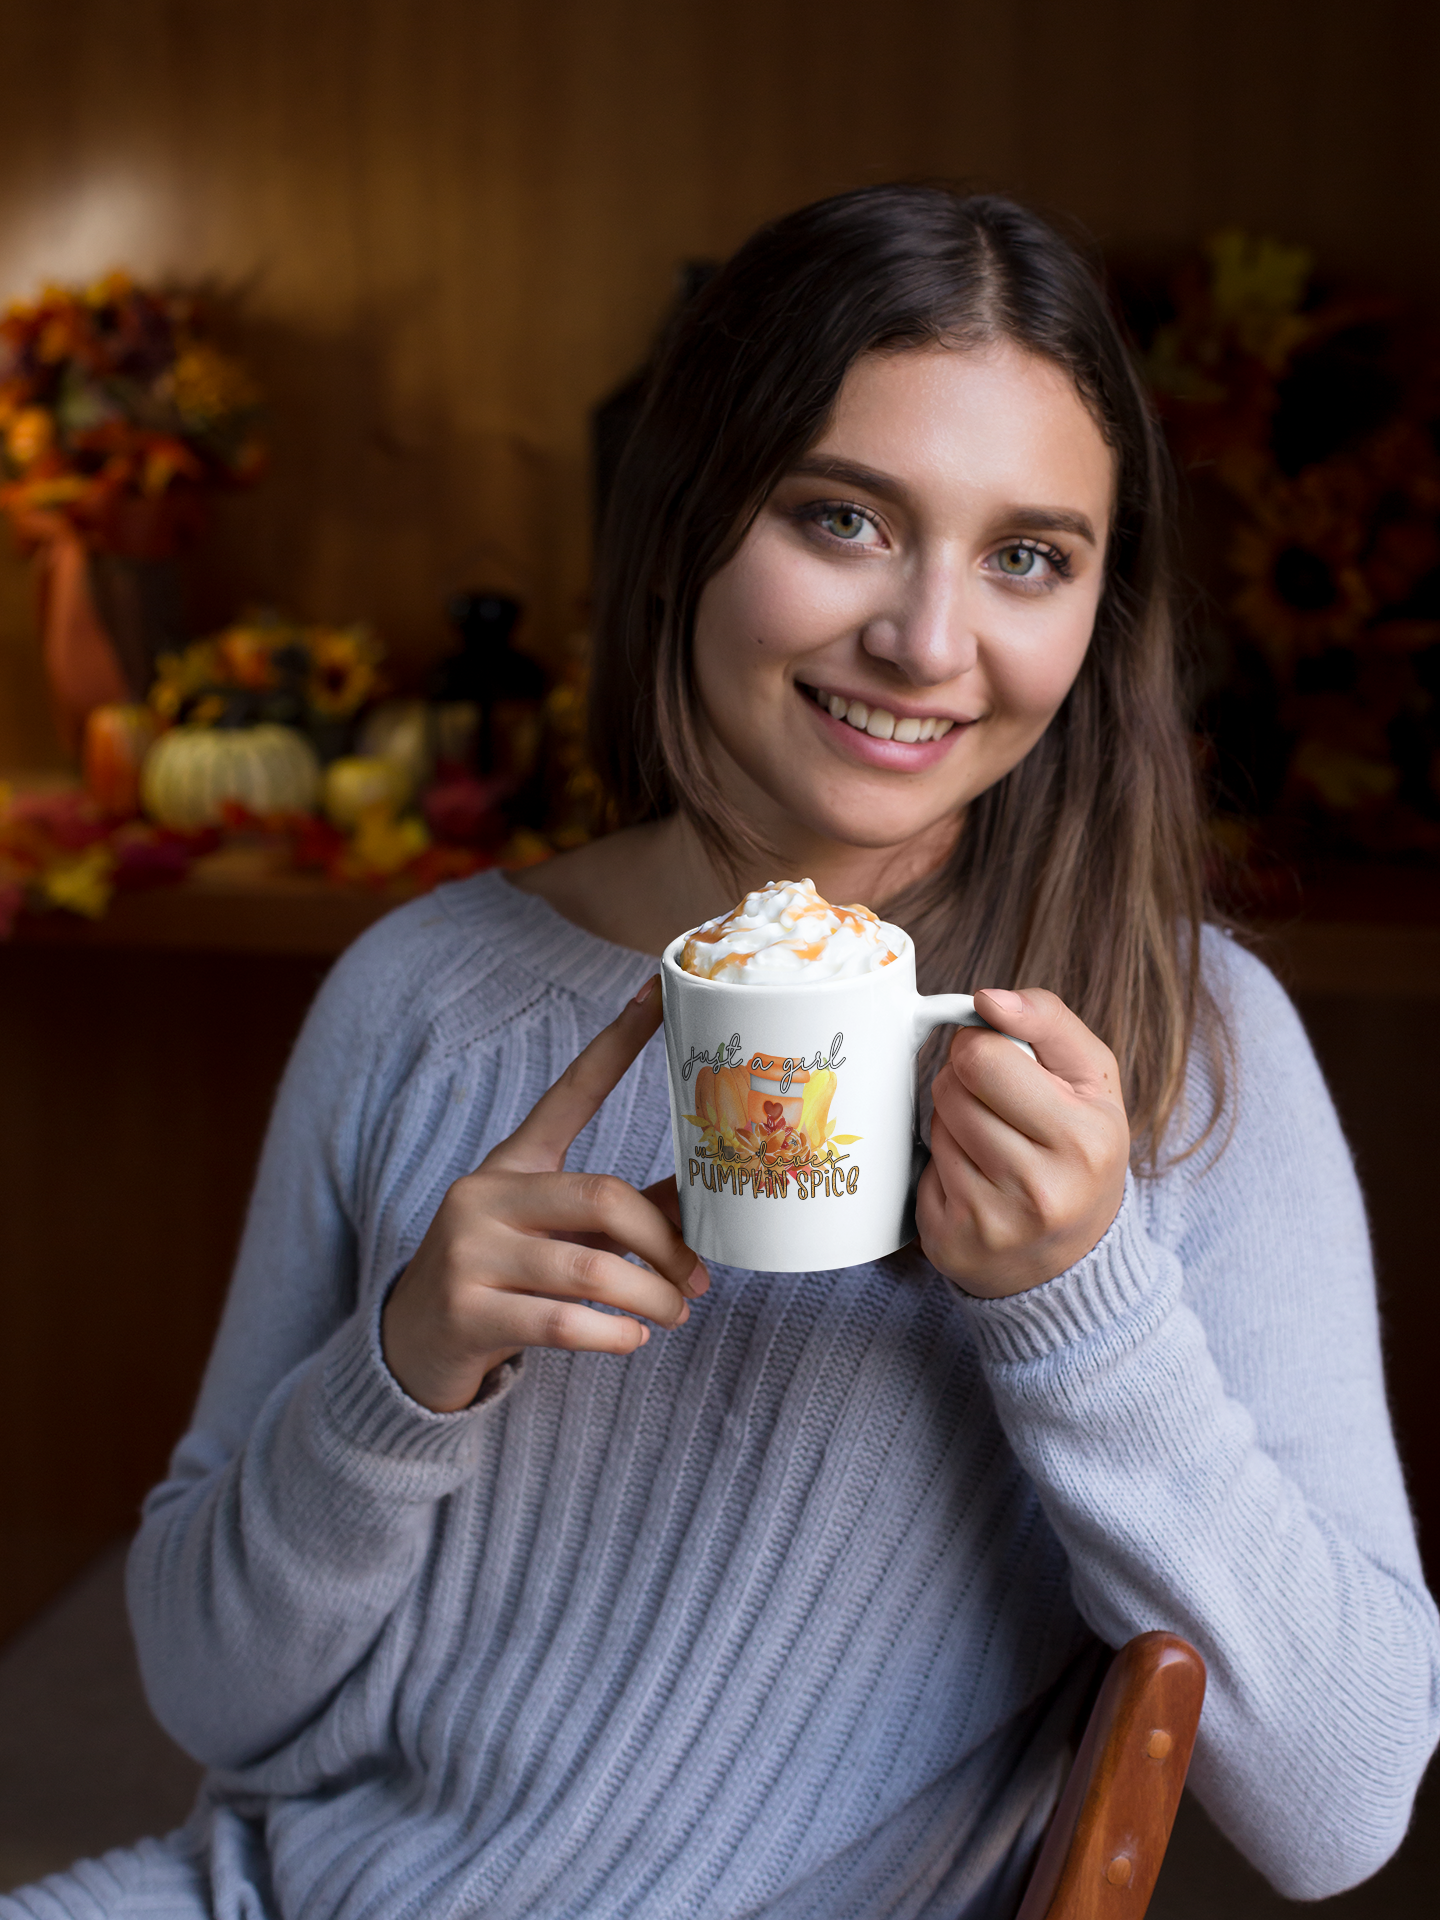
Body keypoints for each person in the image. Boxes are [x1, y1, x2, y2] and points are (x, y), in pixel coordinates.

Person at [7, 185, 1437, 1920]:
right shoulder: (421, 991)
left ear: (1098, 607)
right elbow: (207, 1697)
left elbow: (1348, 1804)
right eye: (843, 518)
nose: (927, 641)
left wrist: (1085, 1303)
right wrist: (401, 1370)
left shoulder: (1184, 1050)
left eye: (1028, 556)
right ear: (689, 517)